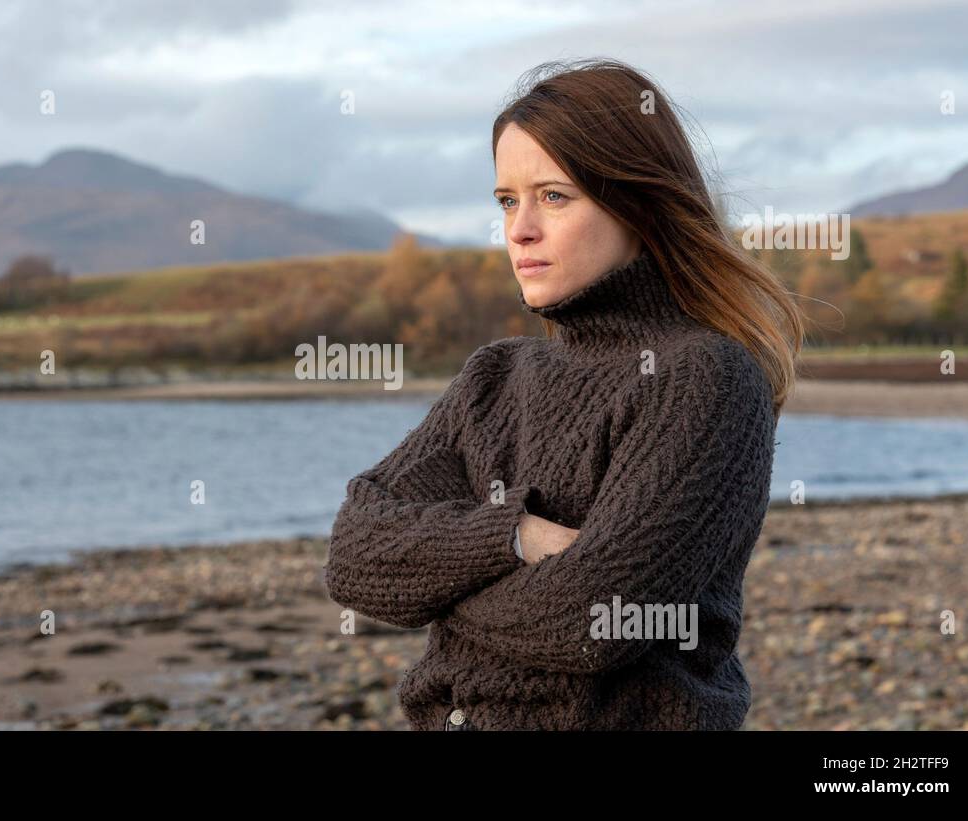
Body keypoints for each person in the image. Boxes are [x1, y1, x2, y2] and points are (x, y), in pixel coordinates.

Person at [322, 58, 804, 730]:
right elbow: (354, 553)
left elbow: (593, 617)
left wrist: (437, 588)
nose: (518, 229)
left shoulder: (706, 378)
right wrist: (512, 538)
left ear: (638, 204)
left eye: (553, 195)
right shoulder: (494, 377)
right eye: (506, 200)